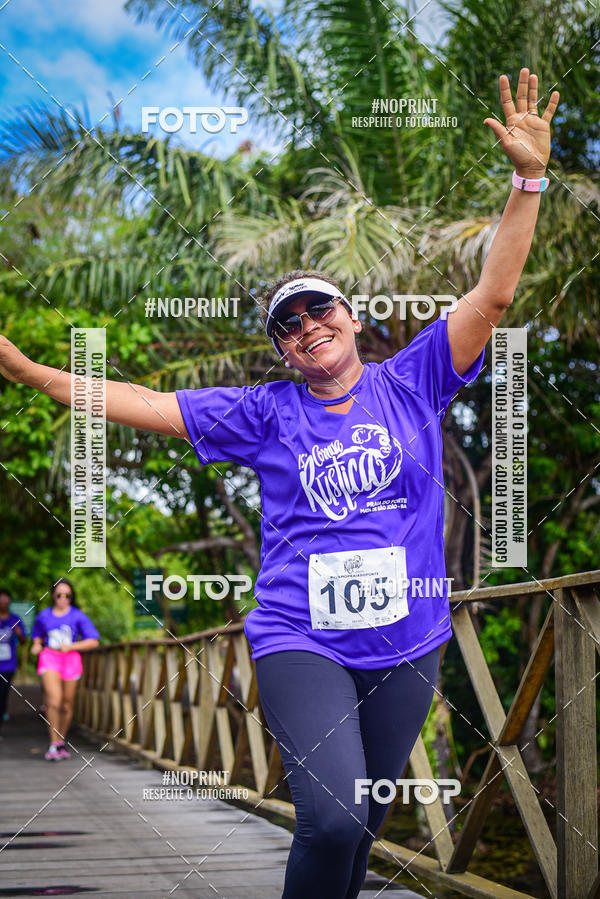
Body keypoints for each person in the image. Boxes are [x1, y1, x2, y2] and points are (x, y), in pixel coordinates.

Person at [0, 69, 558, 895]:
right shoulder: (264, 412)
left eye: (319, 311)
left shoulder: (414, 380)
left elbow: (496, 291)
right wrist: (31, 371)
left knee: (359, 826)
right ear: (283, 350)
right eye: (288, 325)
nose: (306, 328)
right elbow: (148, 401)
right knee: (330, 816)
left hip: (410, 641)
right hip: (302, 635)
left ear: (352, 318)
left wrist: (529, 180)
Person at [30, 578, 100, 760]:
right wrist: (36, 645)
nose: (63, 598)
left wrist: (71, 647)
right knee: (54, 701)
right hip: (50, 657)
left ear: (71, 597)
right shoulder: (44, 615)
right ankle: (53, 744)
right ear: (53, 595)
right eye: (59, 594)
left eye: (67, 595)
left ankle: (61, 740)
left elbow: (93, 641)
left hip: (70, 660)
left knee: (67, 704)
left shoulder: (78, 616)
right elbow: (37, 636)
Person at [0, 588, 27, 736]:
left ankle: (2, 715)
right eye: (1, 599)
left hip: (8, 664)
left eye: (5, 599)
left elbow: (24, 641)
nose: (3, 602)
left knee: (3, 692)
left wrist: (19, 634)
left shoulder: (15, 619)